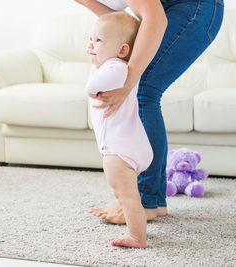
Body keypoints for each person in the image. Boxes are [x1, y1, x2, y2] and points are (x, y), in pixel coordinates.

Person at [75, 0, 224, 223]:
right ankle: (150, 200)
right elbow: (119, 23)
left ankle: (146, 201)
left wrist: (128, 80)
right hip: (166, 9)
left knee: (142, 89)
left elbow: (154, 18)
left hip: (194, 6)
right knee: (138, 85)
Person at [86, 11, 153, 248]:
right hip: (130, 144)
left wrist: (92, 84)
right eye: (91, 39)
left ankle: (137, 236)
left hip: (119, 149)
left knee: (128, 197)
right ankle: (138, 227)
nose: (91, 45)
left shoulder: (115, 67)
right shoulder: (119, 67)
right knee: (123, 194)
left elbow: (93, 86)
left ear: (123, 50)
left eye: (99, 41)